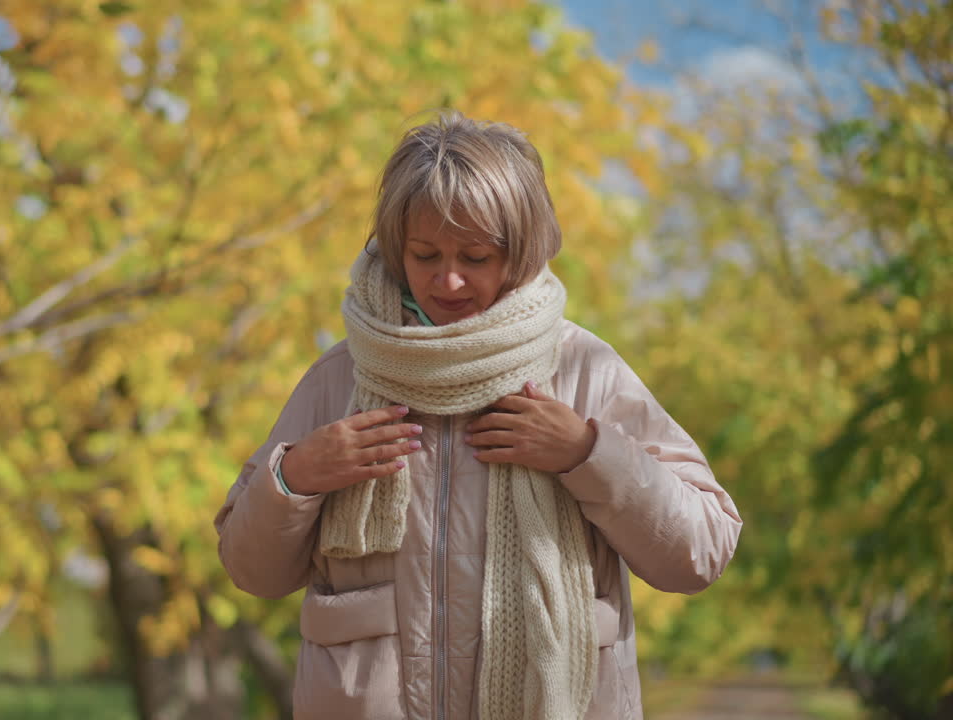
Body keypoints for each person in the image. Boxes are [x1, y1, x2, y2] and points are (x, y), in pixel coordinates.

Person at [214, 111, 742, 720]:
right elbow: (249, 570)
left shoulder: (583, 369)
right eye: (424, 254)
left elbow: (701, 549)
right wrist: (297, 476)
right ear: (394, 248)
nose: (449, 279)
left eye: (476, 256)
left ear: (519, 252)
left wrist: (587, 455)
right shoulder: (342, 377)